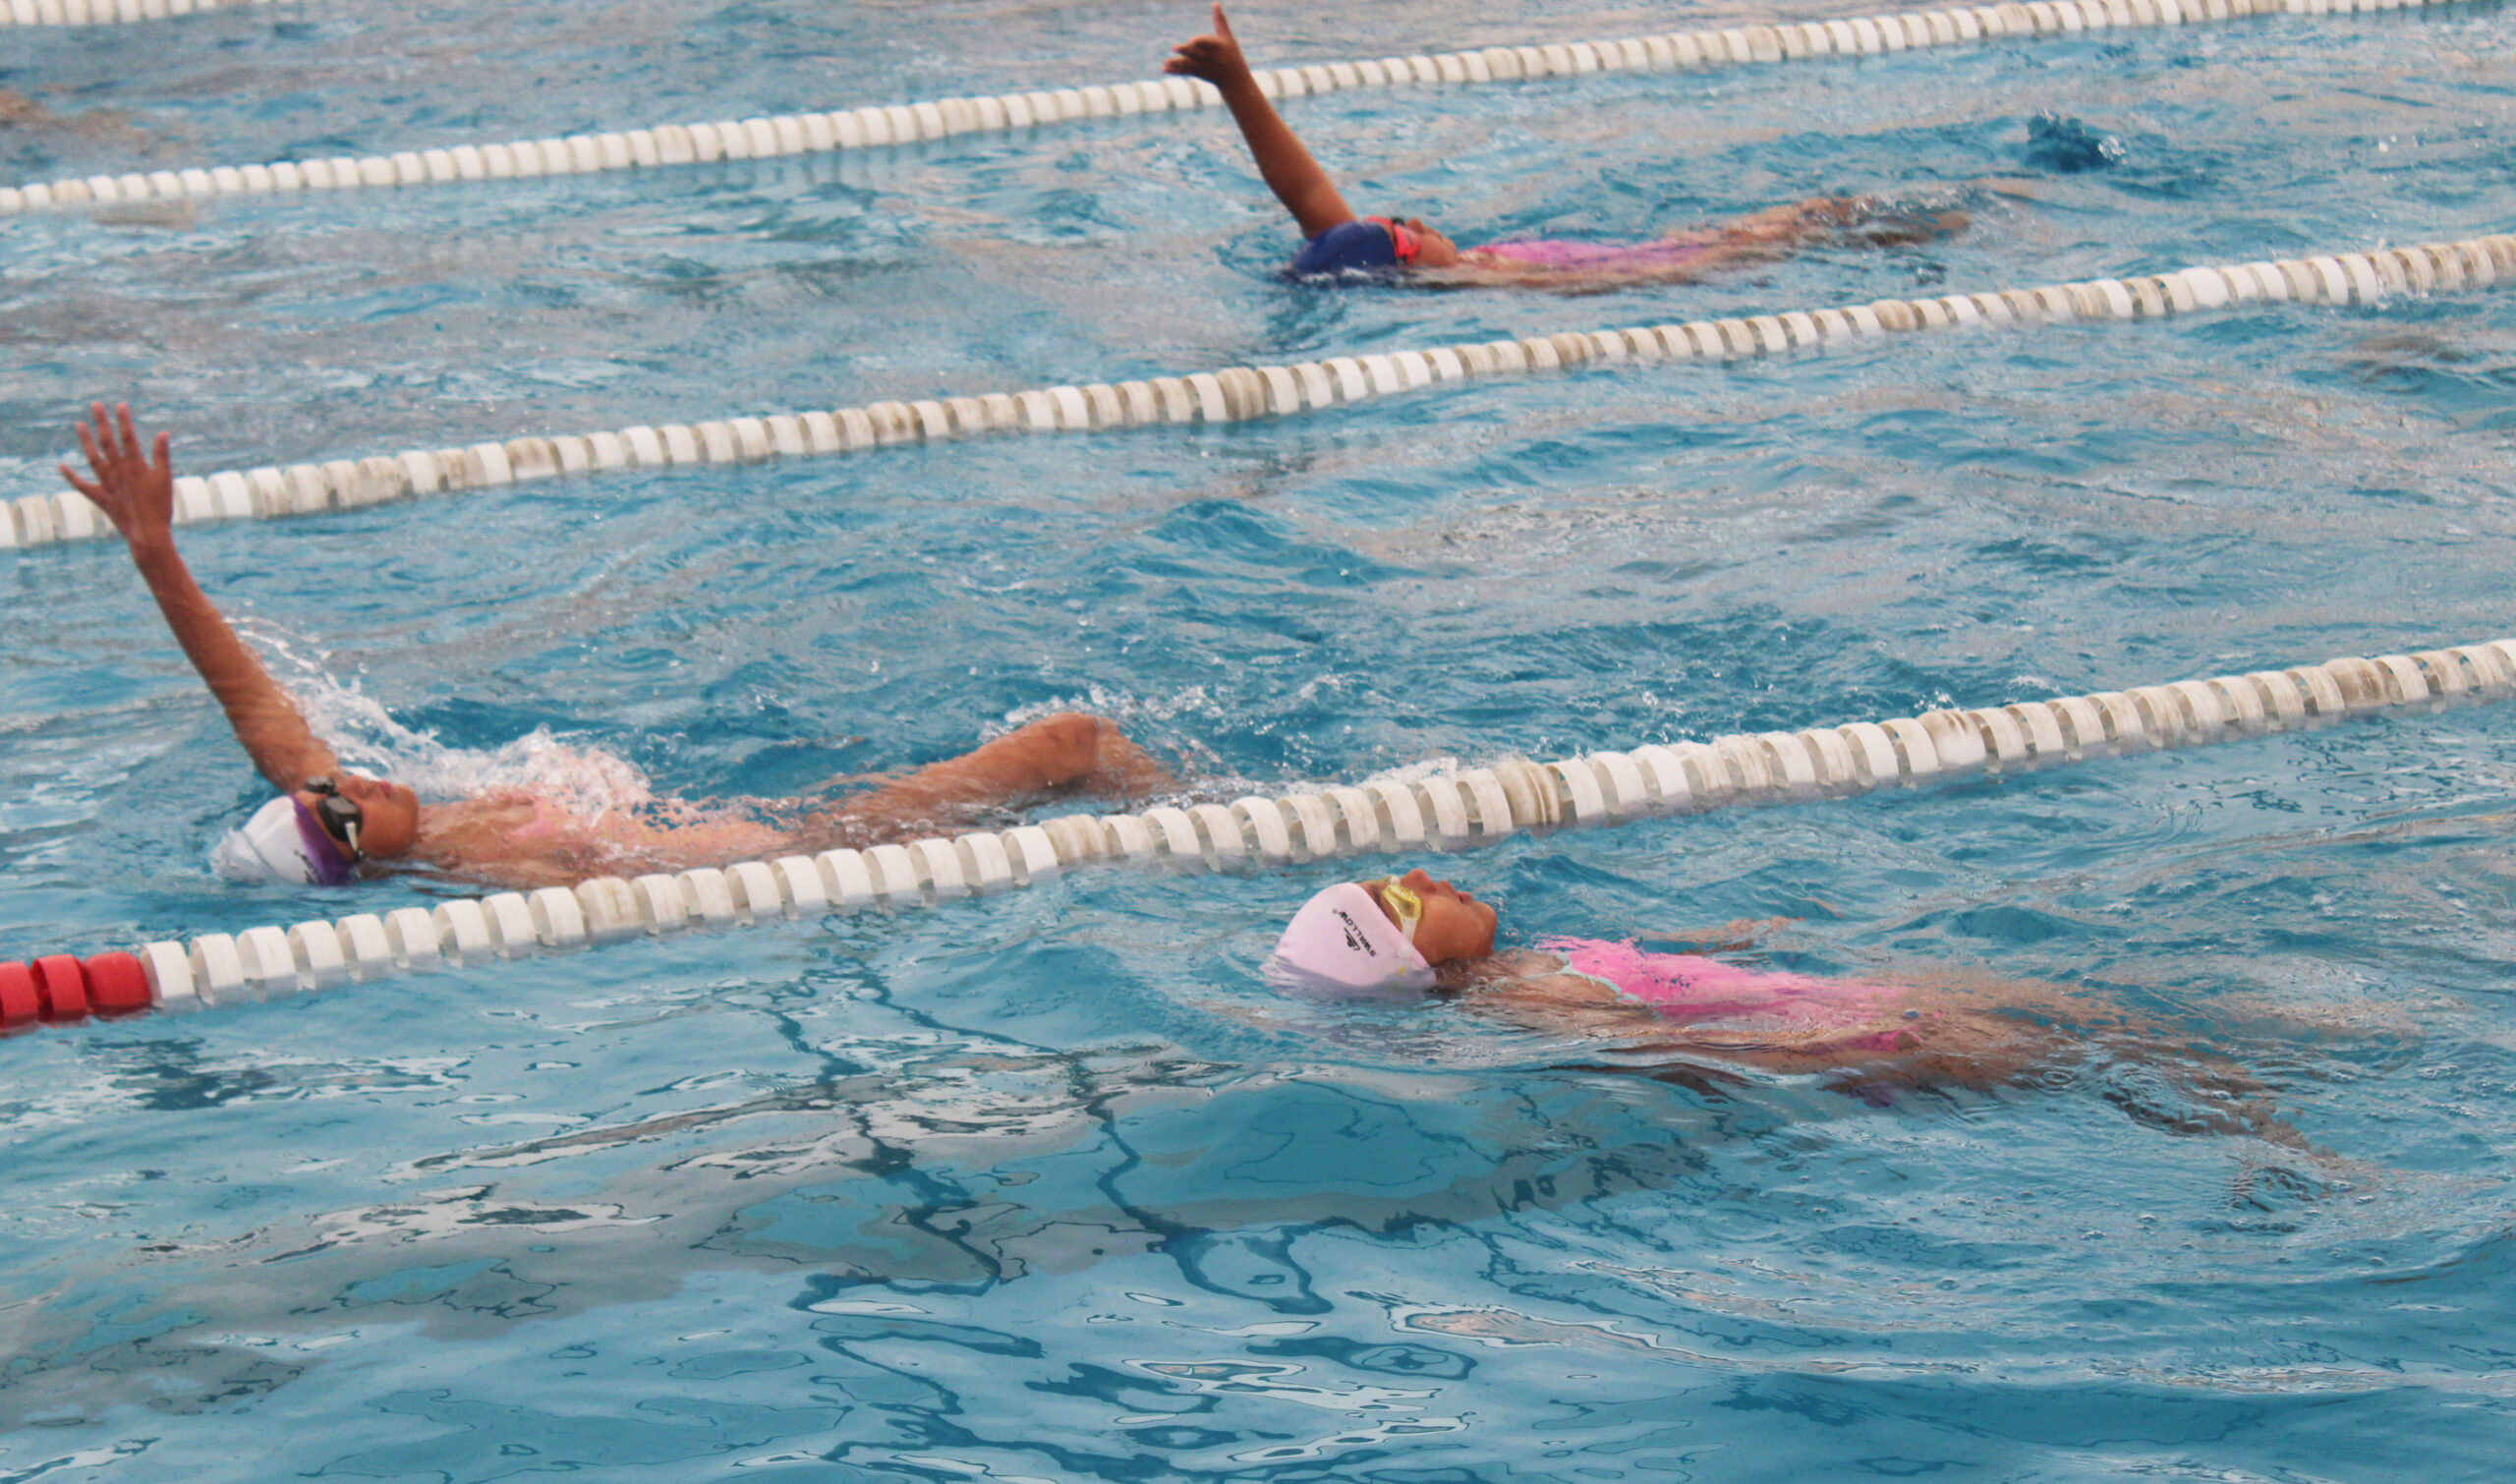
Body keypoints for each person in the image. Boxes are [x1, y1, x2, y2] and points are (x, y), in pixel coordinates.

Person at [61, 403, 1172, 891]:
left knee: (1074, 745)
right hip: (805, 853)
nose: (348, 780)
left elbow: (257, 712)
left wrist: (157, 555)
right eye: (339, 808)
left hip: (785, 819)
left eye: (328, 786)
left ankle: (1190, 822)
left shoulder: (388, 810)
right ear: (353, 861)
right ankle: (1207, 838)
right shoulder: (484, 864)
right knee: (1069, 741)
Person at [1267, 869, 2303, 1141]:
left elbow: (1667, 982)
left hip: (1866, 1003)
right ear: (1405, 963)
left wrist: (1730, 946)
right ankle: (2278, 1139)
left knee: (2122, 1021)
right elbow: (1702, 1051)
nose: (1424, 874)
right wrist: (1851, 1048)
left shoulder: (1540, 960)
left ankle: (2303, 1069)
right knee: (2115, 1051)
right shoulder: (1530, 1011)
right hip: (1875, 1035)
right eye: (1400, 899)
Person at [1166, 5, 1968, 291]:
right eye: (1410, 224)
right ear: (1416, 258)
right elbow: (1628, 281)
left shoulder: (1416, 267)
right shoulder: (1491, 280)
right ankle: (1948, 224)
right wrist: (1706, 256)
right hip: (1663, 265)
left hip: (1653, 254)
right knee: (1814, 223)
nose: (1423, 221)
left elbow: (1310, 206)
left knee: (1815, 218)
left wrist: (1238, 84)